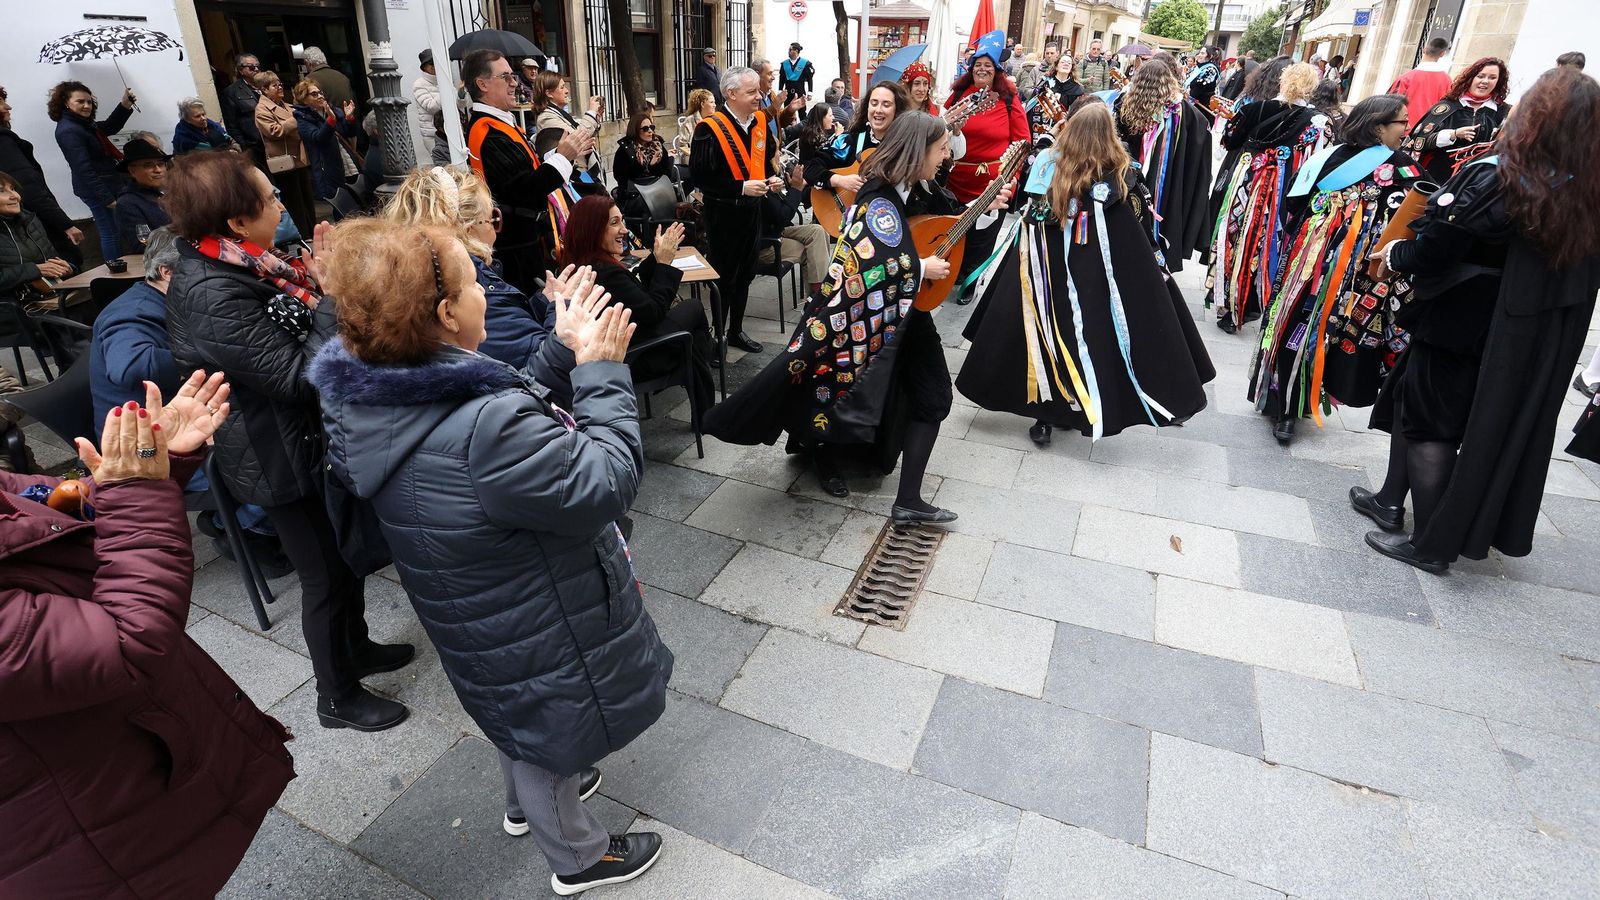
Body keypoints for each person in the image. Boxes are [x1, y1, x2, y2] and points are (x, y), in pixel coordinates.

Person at [308, 219, 671, 895]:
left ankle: (522, 802)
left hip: (474, 604)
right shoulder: (484, 425)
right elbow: (601, 483)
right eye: (475, 281)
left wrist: (563, 354)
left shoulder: (377, 384)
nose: (486, 292)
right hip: (532, 605)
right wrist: (601, 375)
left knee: (520, 710)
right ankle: (580, 856)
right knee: (548, 717)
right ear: (445, 314)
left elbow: (484, 405)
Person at [0, 374, 295, 899]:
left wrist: (146, 465)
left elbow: (47, 514)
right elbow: (128, 644)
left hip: (106, 771)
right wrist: (138, 490)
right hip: (77, 843)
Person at [162, 150, 414, 730]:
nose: (281, 203)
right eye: (269, 197)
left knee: (344, 559)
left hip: (302, 442)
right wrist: (328, 298)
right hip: (275, 454)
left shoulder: (245, 263)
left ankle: (358, 648)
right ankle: (336, 697)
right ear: (234, 221)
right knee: (322, 577)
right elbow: (295, 377)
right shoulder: (211, 290)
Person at [1357, 66, 1600, 573]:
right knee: (1413, 399)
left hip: (1463, 319)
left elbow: (1438, 249)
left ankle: (1429, 543)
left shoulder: (1501, 175)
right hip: (1518, 332)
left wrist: (1398, 254)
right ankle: (1388, 499)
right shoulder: (1583, 189)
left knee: (1432, 427)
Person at [706, 112, 1010, 515]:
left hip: (897, 314)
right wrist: (920, 267)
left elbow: (948, 221)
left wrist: (987, 206)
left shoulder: (914, 187)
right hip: (867, 318)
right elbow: (872, 260)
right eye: (940, 150)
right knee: (861, 391)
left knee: (914, 395)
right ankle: (886, 488)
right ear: (918, 150)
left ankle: (905, 497)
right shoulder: (878, 196)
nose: (945, 158)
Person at [958, 102, 1214, 447]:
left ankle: (1046, 416)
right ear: (1109, 135)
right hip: (1092, 277)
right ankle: (1079, 406)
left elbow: (1031, 214)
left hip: (1046, 273)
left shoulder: (1052, 164)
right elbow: (1134, 225)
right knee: (1091, 336)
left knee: (1045, 334)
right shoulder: (1122, 172)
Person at [1248, 95, 1422, 444]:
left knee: (1341, 335)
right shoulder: (1329, 157)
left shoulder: (1403, 167)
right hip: (1315, 265)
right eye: (1402, 122)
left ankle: (1316, 394)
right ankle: (1285, 405)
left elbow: (1420, 214)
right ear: (1378, 126)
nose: (1408, 129)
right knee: (1299, 324)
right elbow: (1294, 204)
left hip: (1363, 274)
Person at [383, 166, 571, 380]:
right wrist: (562, 309)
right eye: (492, 219)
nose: (496, 230)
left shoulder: (405, 274)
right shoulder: (463, 286)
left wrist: (542, 303)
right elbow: (539, 367)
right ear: (468, 230)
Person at [559, 197, 715, 417]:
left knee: (691, 342)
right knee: (694, 310)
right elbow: (652, 311)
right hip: (634, 355)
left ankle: (702, 388)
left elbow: (637, 297)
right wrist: (663, 264)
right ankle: (705, 401)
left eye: (622, 221)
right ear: (592, 229)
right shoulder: (603, 272)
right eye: (614, 223)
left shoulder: (583, 262)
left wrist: (656, 258)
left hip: (626, 342)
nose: (624, 229)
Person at [1205, 61, 1328, 332]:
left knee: (1237, 236)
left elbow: (1229, 140)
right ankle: (1254, 301)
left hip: (1247, 184)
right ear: (1311, 87)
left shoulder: (1252, 109)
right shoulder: (1318, 122)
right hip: (1285, 192)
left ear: (1282, 81)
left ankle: (1226, 298)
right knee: (1269, 241)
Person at [462, 49, 590, 294]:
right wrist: (564, 156)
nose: (514, 83)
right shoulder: (487, 131)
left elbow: (529, 171)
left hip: (527, 236)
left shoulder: (501, 123)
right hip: (514, 244)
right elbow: (524, 188)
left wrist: (561, 154)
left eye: (513, 76)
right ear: (482, 84)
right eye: (506, 77)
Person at [690, 66, 786, 353]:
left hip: (752, 212)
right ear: (731, 94)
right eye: (752, 92)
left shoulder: (758, 123)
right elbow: (701, 178)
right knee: (724, 276)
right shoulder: (709, 128)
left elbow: (768, 157)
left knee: (746, 273)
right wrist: (741, 188)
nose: (759, 97)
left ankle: (736, 331)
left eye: (759, 90)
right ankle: (717, 336)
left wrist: (773, 178)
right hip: (723, 215)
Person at [1112, 58, 1215, 274]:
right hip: (1166, 188)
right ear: (1169, 81)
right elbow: (1200, 148)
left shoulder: (1125, 105)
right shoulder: (1186, 113)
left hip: (1130, 179)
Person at [946, 35, 1030, 297]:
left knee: (983, 237)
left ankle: (971, 280)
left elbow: (1023, 140)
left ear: (997, 71)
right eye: (977, 65)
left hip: (993, 182)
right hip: (957, 180)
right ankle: (953, 274)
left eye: (988, 66)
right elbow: (941, 129)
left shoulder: (1008, 99)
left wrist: (1013, 176)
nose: (982, 69)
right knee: (955, 230)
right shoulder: (959, 95)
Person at [1198, 56, 1291, 261]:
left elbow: (1229, 138)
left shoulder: (1249, 101)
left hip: (1242, 164)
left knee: (1230, 217)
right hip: (1276, 174)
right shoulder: (1297, 112)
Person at [49, 81, 135, 266]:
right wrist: (106, 198)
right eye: (80, 101)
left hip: (105, 184)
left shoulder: (83, 124)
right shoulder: (69, 130)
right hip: (96, 189)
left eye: (89, 101)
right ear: (66, 103)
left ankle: (118, 267)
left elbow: (110, 127)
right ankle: (116, 270)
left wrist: (124, 105)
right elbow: (83, 169)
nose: (87, 105)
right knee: (110, 231)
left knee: (114, 229)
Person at [0, 86, 85, 266]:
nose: (8, 107)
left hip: (20, 224)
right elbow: (28, 187)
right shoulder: (3, 140)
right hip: (35, 222)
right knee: (68, 267)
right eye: (0, 102)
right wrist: (65, 224)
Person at [1401, 57, 1511, 184]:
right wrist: (1453, 134)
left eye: (1492, 78)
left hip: (1473, 183)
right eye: (1481, 76)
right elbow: (1418, 141)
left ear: (1498, 81)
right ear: (1471, 78)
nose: (1485, 81)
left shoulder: (1503, 112)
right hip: (1436, 178)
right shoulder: (1447, 106)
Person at [252, 70, 317, 236]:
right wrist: (295, 120)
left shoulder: (285, 104)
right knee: (295, 200)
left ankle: (313, 229)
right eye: (275, 85)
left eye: (280, 83)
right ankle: (304, 233)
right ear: (264, 90)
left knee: (306, 196)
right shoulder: (262, 110)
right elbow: (274, 131)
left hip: (299, 158)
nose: (280, 87)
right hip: (284, 162)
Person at [758, 154, 831, 296]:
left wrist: (789, 188)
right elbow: (782, 216)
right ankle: (817, 299)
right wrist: (796, 189)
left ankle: (819, 293)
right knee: (811, 250)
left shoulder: (768, 178)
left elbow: (781, 214)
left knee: (818, 231)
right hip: (764, 244)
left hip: (775, 231)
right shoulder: (758, 182)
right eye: (776, 152)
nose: (780, 156)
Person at [0, 172, 75, 302]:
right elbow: (39, 269)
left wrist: (69, 269)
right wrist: (34, 270)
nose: (14, 196)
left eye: (13, 189)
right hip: (15, 312)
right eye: (2, 191)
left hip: (55, 299)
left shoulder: (30, 220)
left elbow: (51, 261)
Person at [533, 71, 605, 192]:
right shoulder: (546, 117)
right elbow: (577, 139)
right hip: (574, 178)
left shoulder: (559, 114)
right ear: (549, 93)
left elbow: (583, 136)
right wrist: (591, 113)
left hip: (582, 173)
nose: (567, 91)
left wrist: (596, 116)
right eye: (562, 87)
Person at [291, 80, 359, 200]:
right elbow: (318, 138)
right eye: (314, 94)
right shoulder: (302, 118)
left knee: (356, 199)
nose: (320, 96)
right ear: (304, 99)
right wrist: (330, 121)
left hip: (347, 162)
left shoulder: (333, 110)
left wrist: (349, 118)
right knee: (340, 202)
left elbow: (350, 132)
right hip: (328, 168)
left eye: (320, 92)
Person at [112, 140, 173, 254]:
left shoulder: (171, 192)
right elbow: (142, 246)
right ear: (132, 171)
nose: (158, 170)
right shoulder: (127, 203)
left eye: (160, 164)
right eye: (148, 165)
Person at [1388, 37, 1452, 127]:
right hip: (1431, 131)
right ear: (1442, 54)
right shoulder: (1448, 81)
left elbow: (1389, 107)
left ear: (1424, 49)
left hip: (1405, 130)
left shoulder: (1405, 78)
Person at [221, 53, 267, 169]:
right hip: (254, 146)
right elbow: (231, 125)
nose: (256, 69)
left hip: (274, 141)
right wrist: (245, 147)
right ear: (241, 70)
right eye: (251, 67)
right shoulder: (232, 92)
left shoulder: (267, 86)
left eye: (258, 66)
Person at [613, 110, 673, 188]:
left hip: (658, 189)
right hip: (635, 193)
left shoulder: (658, 146)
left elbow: (667, 174)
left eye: (652, 127)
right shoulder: (626, 150)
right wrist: (646, 167)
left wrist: (653, 166)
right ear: (636, 130)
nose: (650, 131)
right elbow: (621, 177)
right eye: (645, 129)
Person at [302, 46, 355, 111]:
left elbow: (301, 106)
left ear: (309, 64)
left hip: (328, 119)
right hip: (348, 117)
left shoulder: (308, 80)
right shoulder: (342, 76)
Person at [1186, 46, 1222, 122]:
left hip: (1202, 107)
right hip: (1195, 105)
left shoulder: (1211, 70)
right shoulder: (1200, 68)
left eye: (1202, 53)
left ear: (1210, 56)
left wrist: (1187, 94)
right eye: (1199, 53)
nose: (1199, 55)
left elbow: (1198, 89)